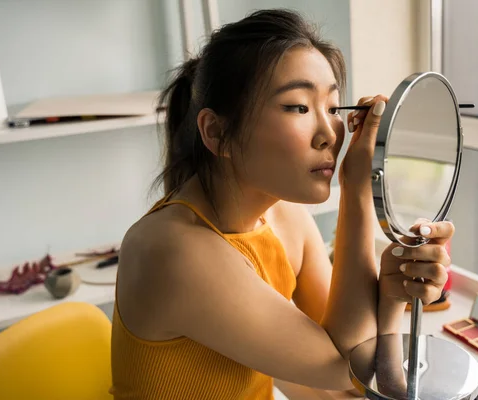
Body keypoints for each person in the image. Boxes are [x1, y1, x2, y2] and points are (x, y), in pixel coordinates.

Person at [109, 8, 453, 400]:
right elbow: (347, 367)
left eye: (332, 108)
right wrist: (357, 187)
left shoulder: (285, 218)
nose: (329, 135)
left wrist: (391, 295)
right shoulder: (175, 252)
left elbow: (358, 367)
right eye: (298, 107)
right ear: (217, 132)